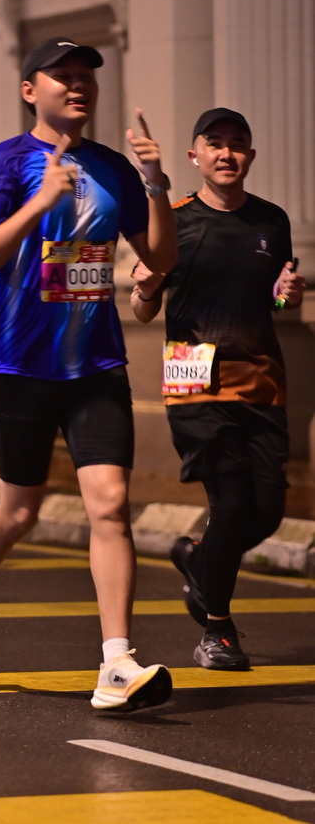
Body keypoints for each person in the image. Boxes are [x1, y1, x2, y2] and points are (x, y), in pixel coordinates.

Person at [0, 36, 178, 712]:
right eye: (63, 76)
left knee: (111, 504)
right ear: (30, 90)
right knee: (20, 510)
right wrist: (37, 202)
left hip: (96, 363)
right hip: (20, 364)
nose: (78, 86)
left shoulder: (112, 167)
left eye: (86, 77)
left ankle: (116, 662)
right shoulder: (6, 162)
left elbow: (159, 256)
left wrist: (156, 183)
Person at [130, 107, 305, 671]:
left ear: (250, 156)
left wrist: (288, 296)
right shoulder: (175, 220)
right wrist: (147, 287)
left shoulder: (272, 220)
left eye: (237, 144)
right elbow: (142, 306)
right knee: (228, 501)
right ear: (195, 156)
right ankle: (218, 629)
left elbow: (277, 297)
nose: (227, 153)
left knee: (267, 510)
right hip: (195, 377)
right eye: (215, 143)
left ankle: (198, 557)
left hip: (261, 379)